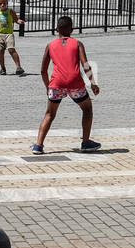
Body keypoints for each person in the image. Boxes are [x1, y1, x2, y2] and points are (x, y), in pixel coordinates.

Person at [32, 15, 101, 154]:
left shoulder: (50, 45)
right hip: (75, 82)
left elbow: (43, 70)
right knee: (87, 109)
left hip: (56, 83)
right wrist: (93, 84)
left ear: (57, 29)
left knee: (49, 114)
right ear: (72, 30)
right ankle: (86, 142)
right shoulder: (77, 44)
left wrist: (48, 87)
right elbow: (86, 65)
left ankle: (38, 145)